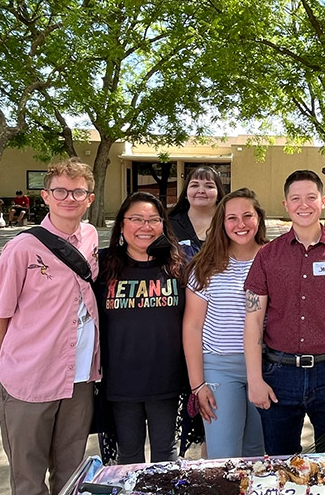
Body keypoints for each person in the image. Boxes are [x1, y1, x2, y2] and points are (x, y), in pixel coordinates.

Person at [0, 158, 99, 495]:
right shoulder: (21, 248)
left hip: (79, 378)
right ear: (46, 196)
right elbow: (0, 314)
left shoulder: (91, 236)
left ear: (89, 198)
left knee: (70, 474)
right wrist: (1, 371)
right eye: (60, 191)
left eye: (78, 191)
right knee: (28, 478)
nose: (69, 198)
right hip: (29, 381)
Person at [244, 169, 325, 455]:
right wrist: (254, 378)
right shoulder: (267, 255)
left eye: (311, 197)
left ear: (323, 201)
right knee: (281, 463)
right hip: (279, 374)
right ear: (285, 204)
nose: (304, 205)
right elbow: (253, 320)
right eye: (296, 199)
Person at [95, 192, 187, 464]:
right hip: (121, 381)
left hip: (166, 379)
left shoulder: (179, 266)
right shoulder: (102, 265)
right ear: (122, 225)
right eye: (136, 219)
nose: (145, 227)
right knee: (129, 456)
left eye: (153, 220)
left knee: (165, 455)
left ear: (163, 225)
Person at [183, 188, 268, 459]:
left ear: (259, 219)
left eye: (247, 216)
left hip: (268, 366)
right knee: (224, 456)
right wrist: (198, 385)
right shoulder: (205, 266)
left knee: (258, 454)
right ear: (221, 222)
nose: (240, 224)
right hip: (220, 368)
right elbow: (192, 326)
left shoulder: (274, 258)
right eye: (232, 218)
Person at [168, 166, 226, 257]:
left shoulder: (230, 222)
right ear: (186, 193)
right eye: (194, 185)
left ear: (218, 193)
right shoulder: (169, 224)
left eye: (209, 186)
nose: (201, 191)